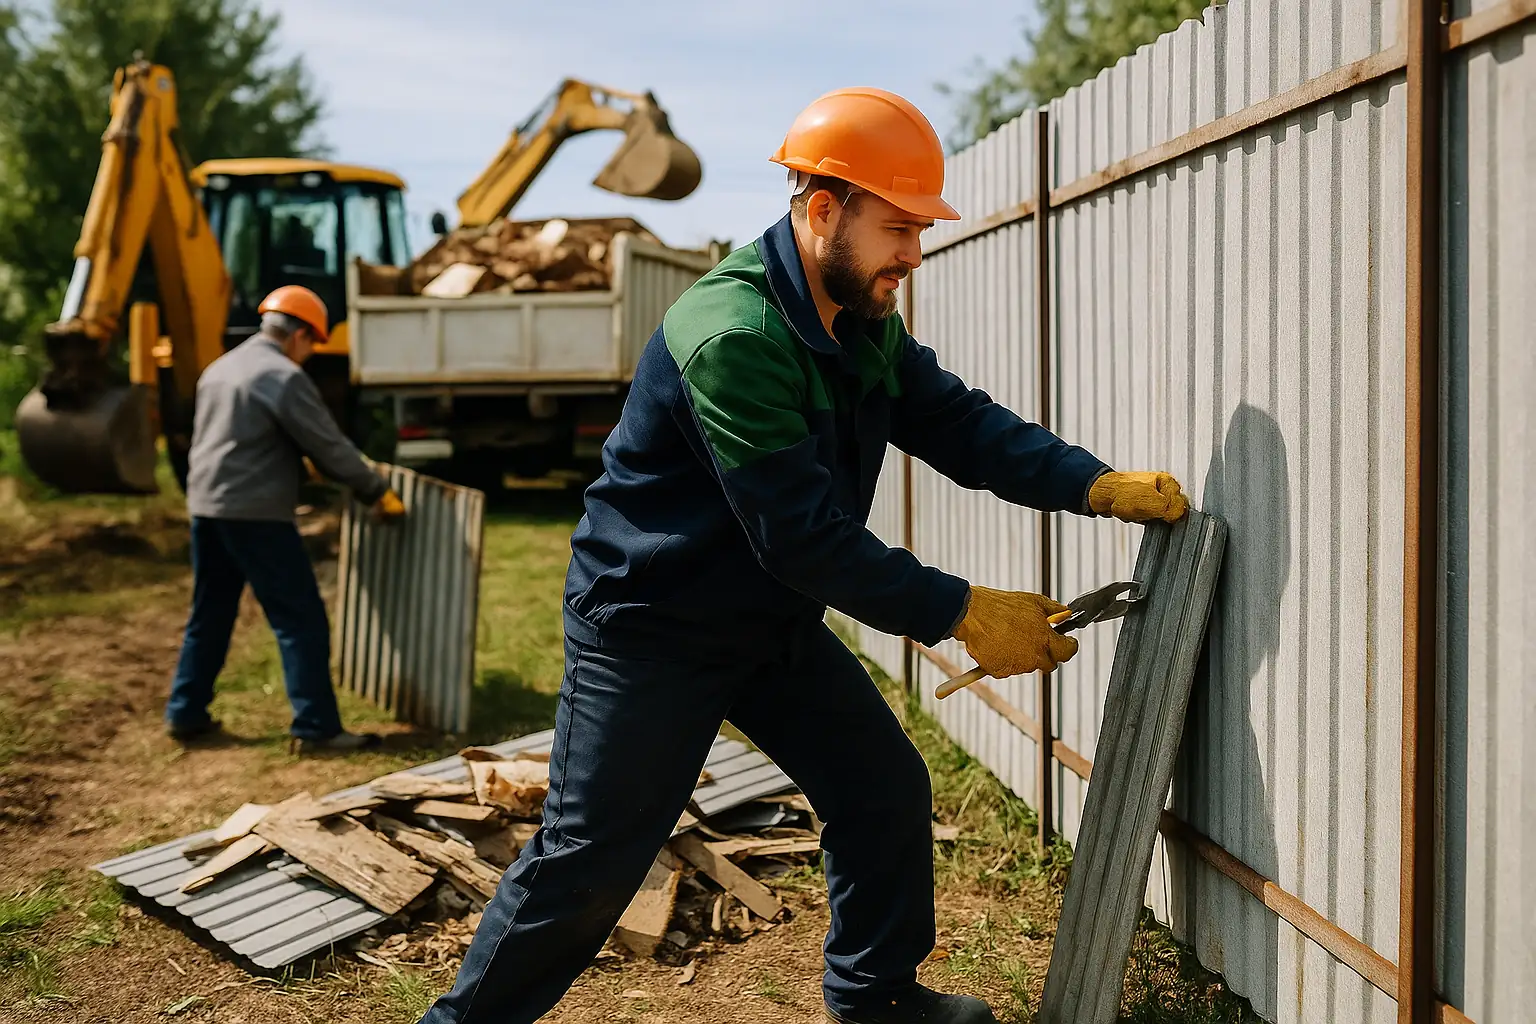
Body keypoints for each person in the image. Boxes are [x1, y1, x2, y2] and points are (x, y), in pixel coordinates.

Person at [418, 88, 1188, 1024]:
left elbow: (955, 422)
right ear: (825, 209)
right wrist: (963, 610)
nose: (913, 252)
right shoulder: (735, 335)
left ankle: (876, 1002)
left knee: (883, 791)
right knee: (590, 862)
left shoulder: (857, 315)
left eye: (918, 230)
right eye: (898, 228)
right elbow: (805, 540)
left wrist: (1091, 485)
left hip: (766, 618)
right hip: (655, 626)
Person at [164, 284, 407, 754]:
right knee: (301, 618)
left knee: (210, 613)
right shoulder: (281, 376)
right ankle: (317, 728)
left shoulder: (221, 368)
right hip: (255, 514)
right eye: (313, 343)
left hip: (208, 506)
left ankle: (185, 712)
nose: (311, 354)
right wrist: (375, 489)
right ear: (298, 334)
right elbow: (329, 445)